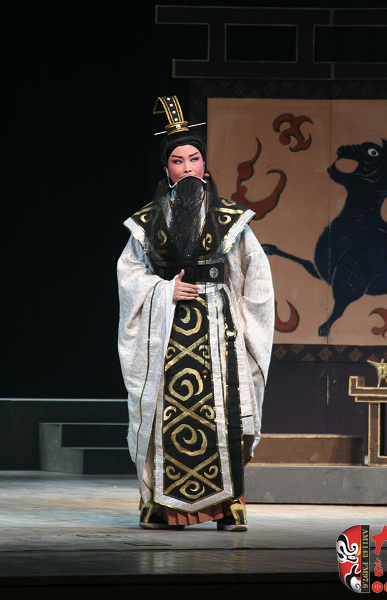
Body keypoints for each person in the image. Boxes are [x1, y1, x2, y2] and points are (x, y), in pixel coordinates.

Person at [117, 96, 274, 531]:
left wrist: (245, 325)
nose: (187, 168)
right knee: (166, 416)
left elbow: (256, 278)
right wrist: (163, 291)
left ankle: (229, 507)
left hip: (220, 333)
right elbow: (130, 276)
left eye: (194, 159)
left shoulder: (231, 219)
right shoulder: (147, 222)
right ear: (166, 169)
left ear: (205, 165)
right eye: (177, 161)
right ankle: (162, 508)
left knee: (225, 415)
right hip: (167, 330)